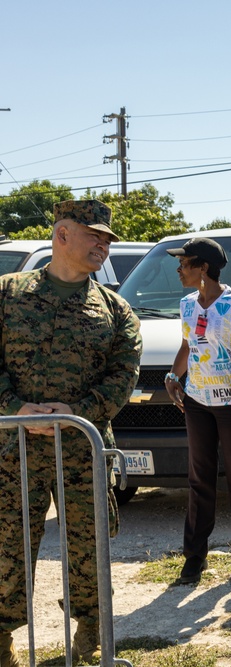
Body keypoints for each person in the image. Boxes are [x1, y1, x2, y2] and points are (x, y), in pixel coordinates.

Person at [0, 200, 142, 667]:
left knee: (91, 548)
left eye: (107, 239)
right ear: (62, 234)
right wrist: (15, 407)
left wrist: (75, 410)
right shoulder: (7, 294)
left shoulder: (116, 311)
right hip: (12, 448)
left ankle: (88, 641)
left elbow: (122, 379)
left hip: (84, 448)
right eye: (93, 235)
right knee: (6, 550)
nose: (103, 245)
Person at [162, 238, 231, 586]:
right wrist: (172, 376)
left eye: (185, 262)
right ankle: (194, 559)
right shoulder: (187, 304)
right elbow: (187, 346)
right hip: (197, 401)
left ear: (203, 267)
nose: (179, 269)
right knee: (199, 480)